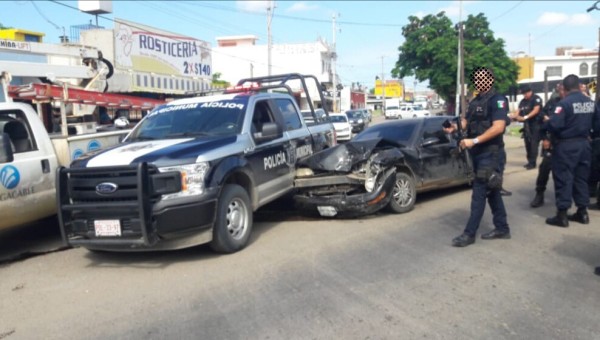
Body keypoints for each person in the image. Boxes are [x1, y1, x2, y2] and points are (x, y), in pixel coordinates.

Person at [443, 67, 510, 247]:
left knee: (479, 193)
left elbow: (498, 127)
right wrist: (454, 127)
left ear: (490, 79)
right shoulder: (475, 101)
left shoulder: (498, 100)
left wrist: (474, 140)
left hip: (491, 152)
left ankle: (469, 233)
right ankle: (502, 228)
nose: (479, 81)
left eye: (483, 78)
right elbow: (467, 121)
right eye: (477, 78)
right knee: (492, 191)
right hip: (478, 153)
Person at [544, 74, 599, 227]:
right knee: (581, 179)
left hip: (566, 146)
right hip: (584, 144)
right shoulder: (590, 102)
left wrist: (548, 123)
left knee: (564, 178)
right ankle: (582, 212)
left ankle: (562, 215)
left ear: (565, 88)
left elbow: (555, 125)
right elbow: (597, 124)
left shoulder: (564, 103)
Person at [530, 83, 565, 208]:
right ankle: (539, 194)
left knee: (562, 174)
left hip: (564, 144)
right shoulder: (553, 102)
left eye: (562, 90)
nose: (560, 92)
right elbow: (541, 115)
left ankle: (563, 200)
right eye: (559, 90)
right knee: (544, 168)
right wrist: (545, 137)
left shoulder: (569, 104)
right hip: (550, 141)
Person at [511, 85, 543, 169]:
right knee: (527, 144)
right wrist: (515, 116)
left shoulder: (536, 99)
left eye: (525, 93)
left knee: (533, 144)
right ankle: (529, 161)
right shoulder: (523, 101)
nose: (524, 95)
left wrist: (525, 117)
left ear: (529, 91)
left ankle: (532, 163)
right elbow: (518, 110)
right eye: (523, 94)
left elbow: (536, 110)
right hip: (527, 125)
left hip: (535, 124)